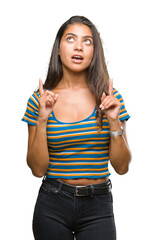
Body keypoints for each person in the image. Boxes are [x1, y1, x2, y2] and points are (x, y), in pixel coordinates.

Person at [22, 15, 131, 240]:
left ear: (94, 52)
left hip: (98, 207)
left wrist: (113, 121)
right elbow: (37, 170)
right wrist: (42, 119)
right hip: (52, 204)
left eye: (87, 41)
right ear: (59, 49)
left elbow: (122, 167)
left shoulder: (110, 98)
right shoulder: (40, 99)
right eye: (70, 39)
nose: (79, 46)